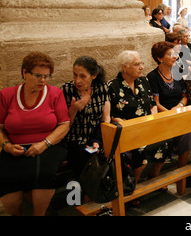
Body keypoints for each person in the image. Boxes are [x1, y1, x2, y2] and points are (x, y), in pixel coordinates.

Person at [0, 52, 70, 216]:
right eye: (38, 75)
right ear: (25, 73)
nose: (43, 81)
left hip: (49, 145)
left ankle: (40, 213)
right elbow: (0, 128)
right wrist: (6, 146)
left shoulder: (54, 94)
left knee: (45, 173)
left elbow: (64, 124)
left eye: (47, 76)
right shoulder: (6, 95)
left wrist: (44, 144)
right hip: (14, 147)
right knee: (7, 183)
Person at [148, 42, 191, 190]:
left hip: (180, 111)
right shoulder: (153, 77)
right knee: (186, 133)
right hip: (164, 115)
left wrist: (179, 107)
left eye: (174, 53)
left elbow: (185, 96)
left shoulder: (178, 72)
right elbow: (155, 102)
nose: (174, 56)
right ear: (159, 58)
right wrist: (170, 113)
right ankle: (182, 171)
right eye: (170, 54)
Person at [108, 51, 172, 184]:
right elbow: (112, 116)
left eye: (141, 63)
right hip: (128, 131)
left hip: (147, 126)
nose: (141, 67)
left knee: (167, 139)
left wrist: (153, 120)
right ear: (124, 67)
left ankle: (154, 174)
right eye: (137, 64)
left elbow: (152, 104)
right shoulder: (113, 86)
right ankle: (133, 184)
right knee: (141, 149)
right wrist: (133, 128)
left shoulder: (143, 81)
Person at [61, 56, 111, 176]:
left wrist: (98, 140)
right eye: (75, 75)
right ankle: (87, 192)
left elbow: (106, 119)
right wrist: (74, 110)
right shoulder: (67, 90)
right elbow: (63, 126)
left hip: (96, 136)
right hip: (75, 139)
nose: (77, 80)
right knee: (86, 158)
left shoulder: (102, 88)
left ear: (93, 76)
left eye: (82, 76)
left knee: (111, 154)